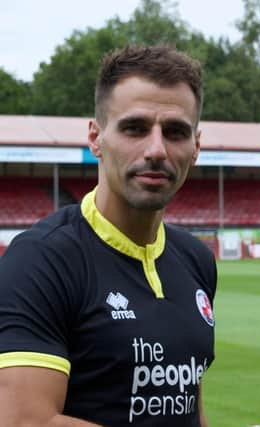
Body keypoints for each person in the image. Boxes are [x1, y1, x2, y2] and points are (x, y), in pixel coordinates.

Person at [0, 45, 216, 426]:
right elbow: (23, 421)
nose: (156, 149)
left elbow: (188, 409)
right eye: (134, 128)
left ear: (196, 146)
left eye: (175, 132)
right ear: (96, 137)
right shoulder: (41, 260)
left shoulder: (195, 260)